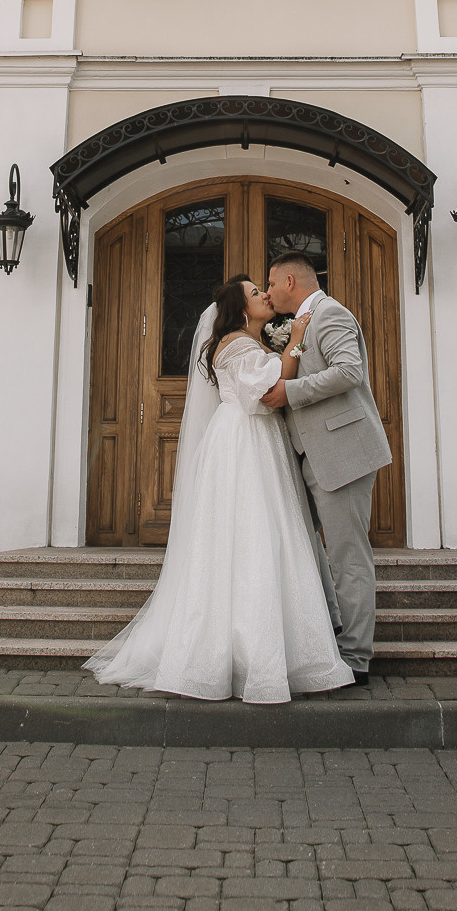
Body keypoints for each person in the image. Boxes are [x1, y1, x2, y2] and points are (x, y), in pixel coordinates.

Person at [83, 273, 354, 703]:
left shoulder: (248, 343)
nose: (265, 295)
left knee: (264, 536)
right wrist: (297, 341)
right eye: (255, 293)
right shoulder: (237, 345)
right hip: (243, 444)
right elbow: (268, 391)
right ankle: (237, 655)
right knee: (250, 535)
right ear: (242, 308)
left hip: (258, 442)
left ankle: (272, 648)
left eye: (263, 289)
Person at [260, 251, 392, 684]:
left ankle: (356, 657)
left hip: (342, 452)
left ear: (291, 283)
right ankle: (332, 632)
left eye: (272, 283)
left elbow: (349, 371)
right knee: (311, 550)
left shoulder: (330, 313)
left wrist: (290, 392)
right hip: (309, 454)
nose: (269, 291)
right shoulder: (302, 321)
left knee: (348, 557)